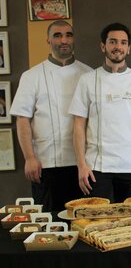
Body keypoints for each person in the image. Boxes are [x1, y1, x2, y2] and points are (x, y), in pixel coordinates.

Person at [10, 21, 92, 211]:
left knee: (84, 220)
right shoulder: (31, 76)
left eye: (68, 35)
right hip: (46, 163)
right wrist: (29, 157)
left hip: (83, 164)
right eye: (57, 35)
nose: (64, 40)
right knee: (49, 221)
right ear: (48, 40)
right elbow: (23, 120)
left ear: (74, 39)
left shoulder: (88, 74)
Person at [70, 22, 131, 203]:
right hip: (97, 168)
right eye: (113, 42)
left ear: (129, 48)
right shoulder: (87, 80)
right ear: (103, 46)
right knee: (98, 221)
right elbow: (78, 126)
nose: (118, 47)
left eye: (123, 42)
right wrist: (81, 165)